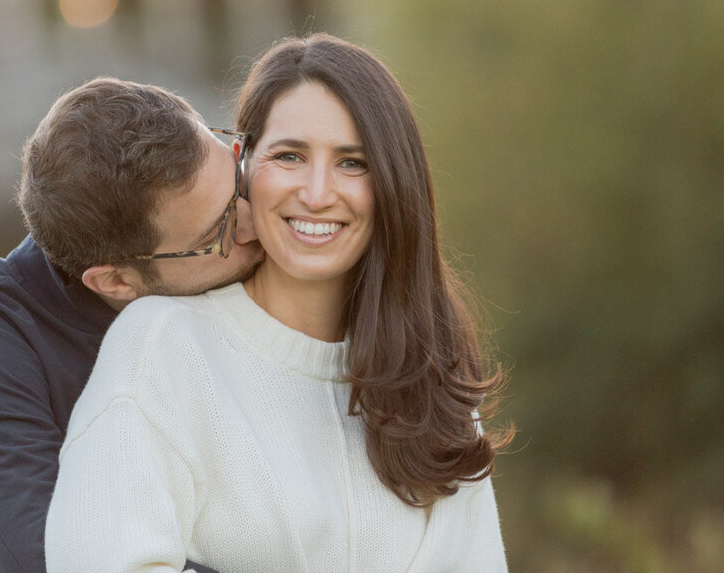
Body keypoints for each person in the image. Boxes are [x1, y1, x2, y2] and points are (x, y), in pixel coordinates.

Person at [45, 34, 510, 571]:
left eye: (352, 163)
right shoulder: (163, 348)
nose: (316, 193)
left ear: (394, 185)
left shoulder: (434, 382)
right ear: (244, 163)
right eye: (289, 156)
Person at [0, 77, 262, 573]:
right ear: (116, 280)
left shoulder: (263, 255)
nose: (256, 223)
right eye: (220, 231)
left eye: (239, 178)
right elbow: (61, 560)